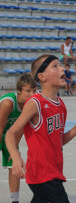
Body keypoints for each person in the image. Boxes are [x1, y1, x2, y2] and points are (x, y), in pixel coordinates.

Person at [5, 54, 76, 203]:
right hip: (42, 174)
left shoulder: (60, 105)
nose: (61, 68)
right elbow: (11, 133)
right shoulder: (35, 103)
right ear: (42, 76)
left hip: (54, 171)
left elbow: (57, 141)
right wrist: (15, 157)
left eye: (60, 65)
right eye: (55, 66)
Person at [0, 74, 37, 203]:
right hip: (0, 130)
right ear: (19, 92)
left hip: (8, 133)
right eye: (27, 91)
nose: (31, 94)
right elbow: (0, 128)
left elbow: (20, 130)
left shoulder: (30, 106)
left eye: (34, 91)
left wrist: (14, 151)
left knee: (14, 164)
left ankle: (14, 200)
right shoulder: (8, 103)